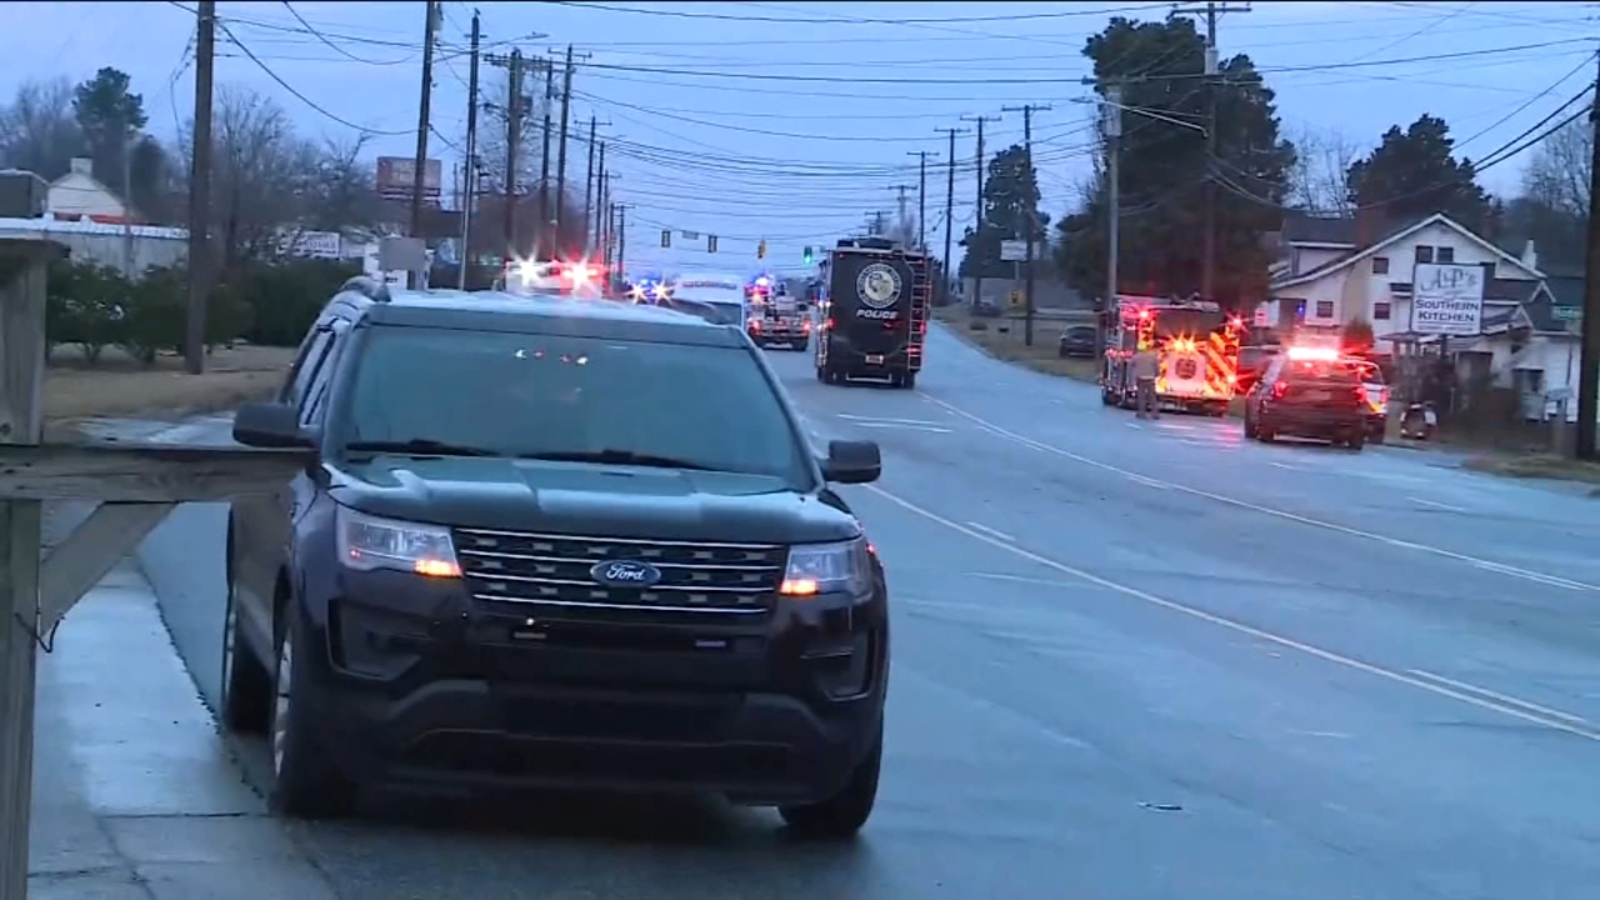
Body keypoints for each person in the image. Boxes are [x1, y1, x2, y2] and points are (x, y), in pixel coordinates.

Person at [1132, 345, 1160, 419]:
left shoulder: (1136, 357)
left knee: (1141, 397)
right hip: (1150, 378)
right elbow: (1157, 367)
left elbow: (1132, 364)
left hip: (1140, 379)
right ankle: (1155, 414)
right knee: (1152, 397)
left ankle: (1141, 413)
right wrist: (1157, 374)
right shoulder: (1153, 356)